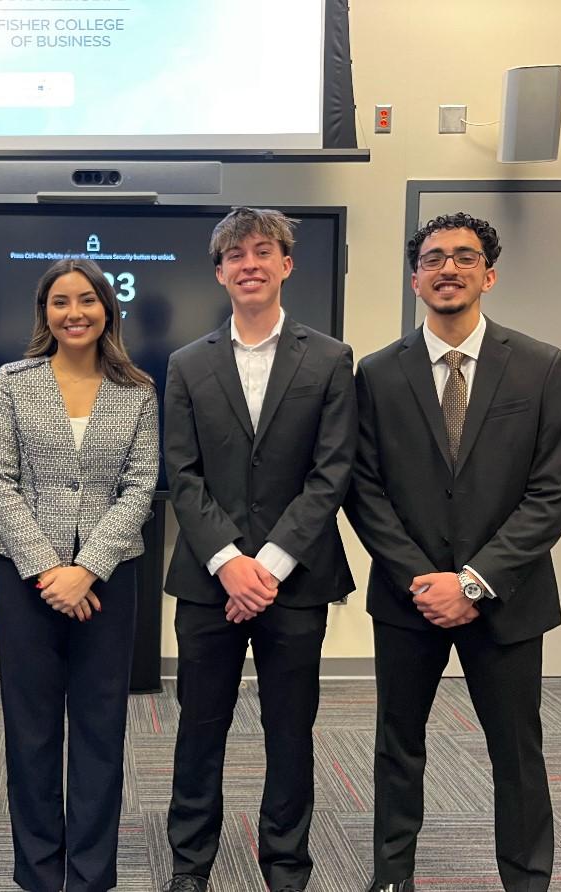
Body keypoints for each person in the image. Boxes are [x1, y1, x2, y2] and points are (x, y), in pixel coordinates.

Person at [345, 212, 561, 892]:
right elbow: (364, 488)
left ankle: (527, 880)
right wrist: (424, 578)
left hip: (508, 599)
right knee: (398, 748)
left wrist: (473, 583)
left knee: (517, 754)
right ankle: (393, 877)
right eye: (435, 258)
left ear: (489, 274)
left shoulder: (540, 366)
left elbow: (552, 490)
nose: (449, 268)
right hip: (408, 597)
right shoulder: (379, 373)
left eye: (465, 258)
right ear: (416, 278)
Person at [162, 207, 357, 892]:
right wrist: (229, 563)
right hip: (207, 581)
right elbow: (180, 475)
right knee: (199, 731)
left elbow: (332, 473)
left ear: (285, 264)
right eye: (235, 254)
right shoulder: (187, 364)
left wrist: (266, 567)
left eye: (263, 251)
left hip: (296, 581)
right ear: (219, 272)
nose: (249, 263)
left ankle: (287, 866)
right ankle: (190, 868)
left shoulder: (331, 358)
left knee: (289, 731)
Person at [0, 258, 159, 892]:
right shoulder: (12, 382)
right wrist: (50, 569)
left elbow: (141, 489)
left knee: (99, 733)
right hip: (27, 584)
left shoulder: (137, 389)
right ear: (45, 313)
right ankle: (37, 875)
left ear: (107, 310)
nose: (74, 312)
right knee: (29, 737)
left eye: (87, 300)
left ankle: (89, 876)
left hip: (110, 584)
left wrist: (88, 569)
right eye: (60, 302)